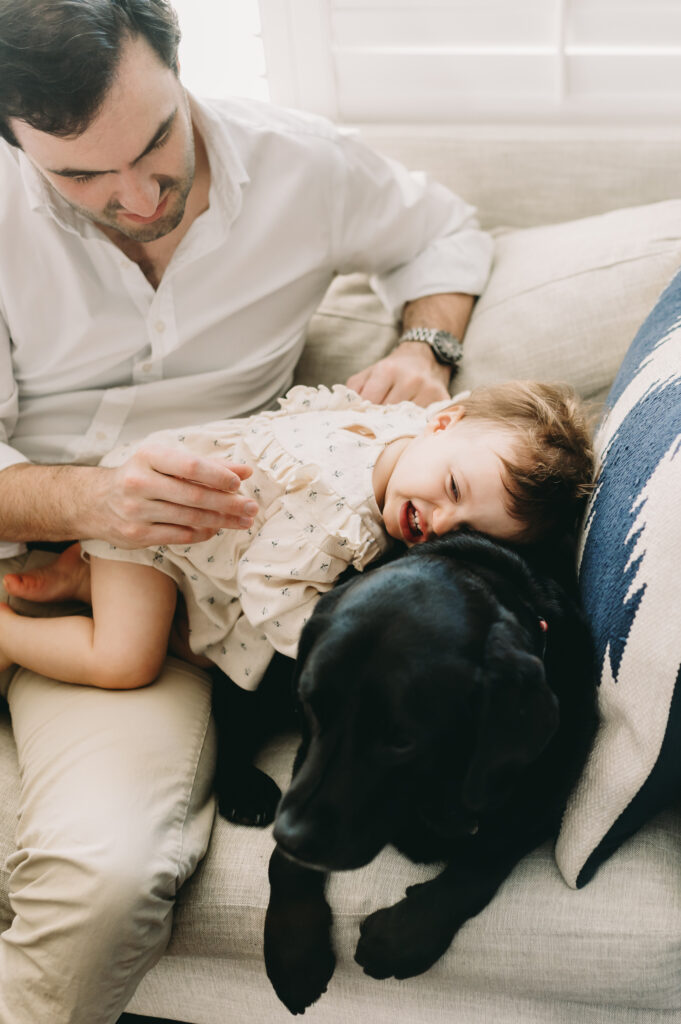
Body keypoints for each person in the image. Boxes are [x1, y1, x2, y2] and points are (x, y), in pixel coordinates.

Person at [0, 1, 496, 1021]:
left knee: (102, 885)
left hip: (165, 606)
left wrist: (425, 349)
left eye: (154, 143)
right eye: (80, 177)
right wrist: (94, 496)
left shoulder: (301, 168)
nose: (137, 196)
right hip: (37, 534)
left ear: (181, 67)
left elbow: (442, 233)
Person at [0, 380, 594, 691]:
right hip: (150, 522)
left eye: (466, 530)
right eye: (455, 491)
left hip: (196, 531)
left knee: (199, 637)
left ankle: (84, 575)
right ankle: (10, 633)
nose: (440, 523)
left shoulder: (410, 433)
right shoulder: (336, 511)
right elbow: (268, 593)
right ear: (442, 422)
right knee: (129, 662)